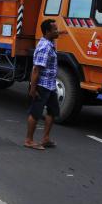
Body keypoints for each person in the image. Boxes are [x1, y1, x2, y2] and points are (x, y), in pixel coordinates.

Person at [25, 19, 60, 151]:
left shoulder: (50, 42)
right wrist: (33, 89)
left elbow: (57, 34)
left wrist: (60, 32)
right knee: (36, 113)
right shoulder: (45, 47)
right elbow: (36, 70)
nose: (57, 31)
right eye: (55, 30)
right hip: (42, 85)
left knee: (52, 111)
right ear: (47, 32)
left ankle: (45, 138)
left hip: (50, 85)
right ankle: (28, 140)